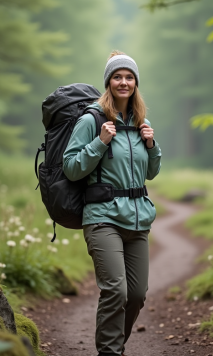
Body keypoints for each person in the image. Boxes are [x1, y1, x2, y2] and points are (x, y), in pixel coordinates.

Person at [63, 50, 162, 356]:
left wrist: (151, 145)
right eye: (117, 77)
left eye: (129, 77)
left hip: (138, 220)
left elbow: (151, 173)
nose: (123, 82)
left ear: (135, 83)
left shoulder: (139, 120)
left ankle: (114, 346)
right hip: (103, 218)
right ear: (108, 82)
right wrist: (100, 141)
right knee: (115, 290)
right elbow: (71, 166)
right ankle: (110, 352)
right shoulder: (92, 119)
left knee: (136, 295)